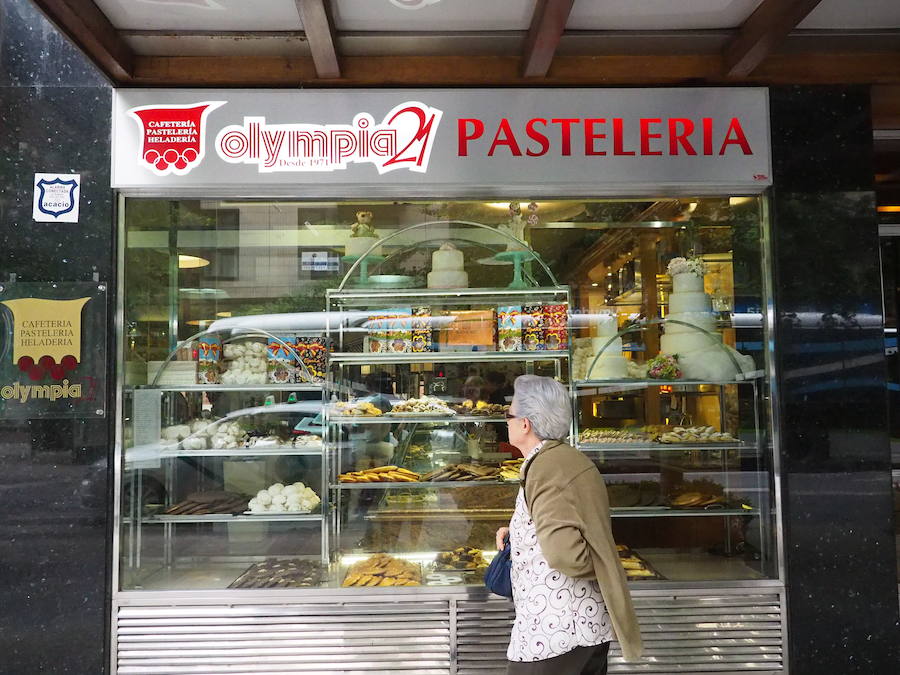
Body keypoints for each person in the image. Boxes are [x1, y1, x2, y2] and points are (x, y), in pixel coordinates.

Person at [496, 375, 642, 674]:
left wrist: (600, 565)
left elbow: (567, 555)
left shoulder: (547, 468)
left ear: (525, 424)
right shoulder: (562, 460)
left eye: (508, 415)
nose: (506, 422)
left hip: (556, 632)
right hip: (579, 627)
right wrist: (521, 535)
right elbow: (567, 520)